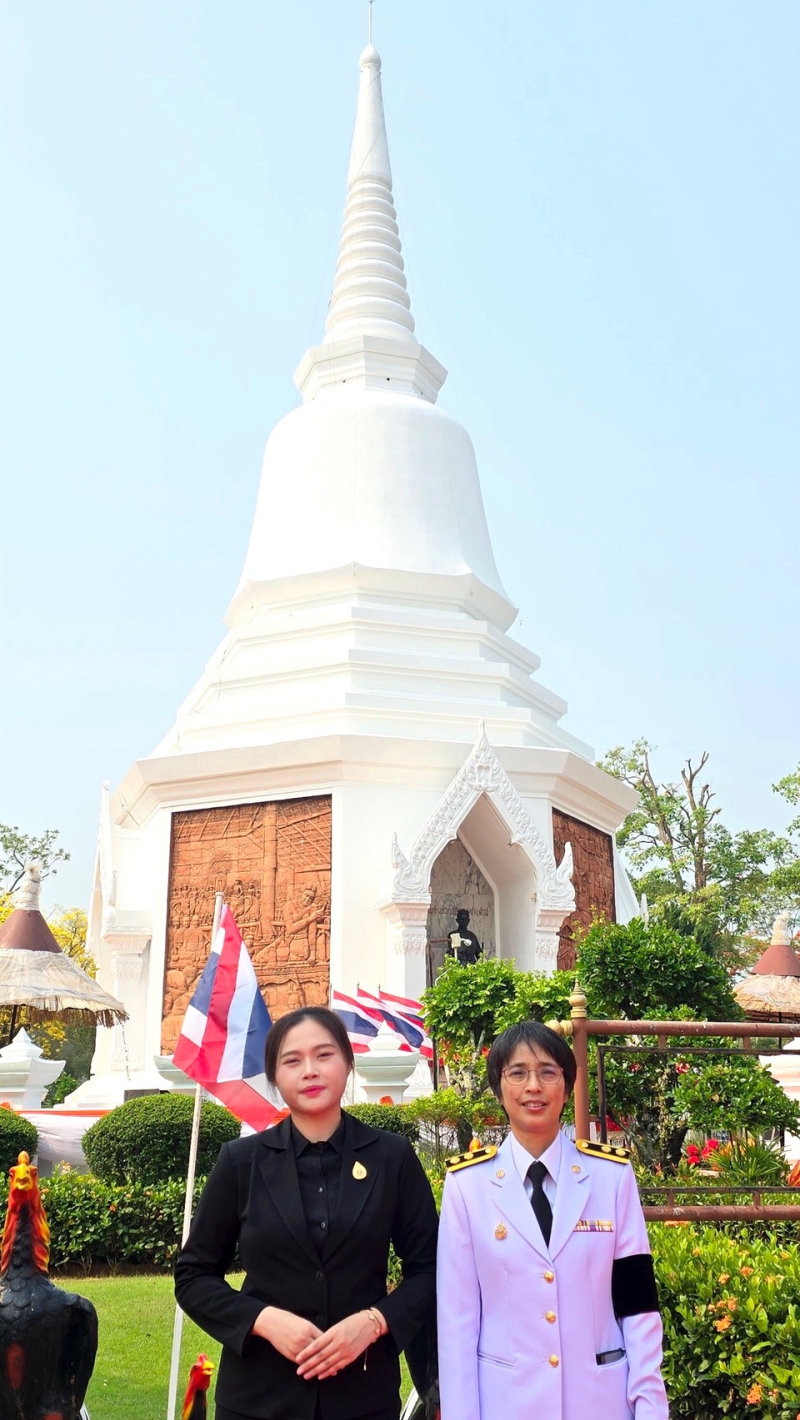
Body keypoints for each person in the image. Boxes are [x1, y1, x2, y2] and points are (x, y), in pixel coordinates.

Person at [175, 1005, 438, 1420]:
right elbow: (193, 1276)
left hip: (362, 1396)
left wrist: (374, 1322)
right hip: (257, 1398)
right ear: (275, 1077)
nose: (310, 1071)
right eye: (292, 1061)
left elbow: (431, 1268)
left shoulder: (392, 1158)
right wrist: (263, 1320)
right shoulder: (241, 1162)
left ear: (348, 1063)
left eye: (324, 1055)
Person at [436, 1020, 669, 1420]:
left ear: (567, 1084)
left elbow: (638, 1304)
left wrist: (651, 1409)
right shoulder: (467, 1185)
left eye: (548, 1072)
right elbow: (457, 1323)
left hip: (599, 1403)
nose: (533, 1086)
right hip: (506, 1405)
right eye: (517, 1073)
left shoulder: (610, 1177)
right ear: (498, 1089)